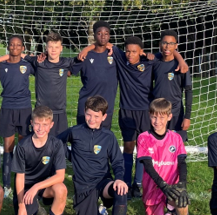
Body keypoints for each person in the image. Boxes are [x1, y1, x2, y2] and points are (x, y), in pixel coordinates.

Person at [79, 35, 187, 200]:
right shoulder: (121, 59)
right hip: (127, 111)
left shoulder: (151, 61)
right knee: (128, 147)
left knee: (143, 148)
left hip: (145, 112)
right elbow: (103, 42)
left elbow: (168, 52)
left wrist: (181, 60)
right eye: (128, 51)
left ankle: (138, 184)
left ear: (141, 52)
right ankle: (127, 183)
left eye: (134, 52)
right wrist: (86, 49)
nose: (130, 54)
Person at [58, 96, 129, 215]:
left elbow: (118, 161)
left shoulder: (108, 136)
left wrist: (119, 178)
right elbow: (56, 142)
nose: (92, 119)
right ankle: (100, 213)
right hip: (83, 185)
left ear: (104, 117)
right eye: (89, 114)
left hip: (103, 182)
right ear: (84, 112)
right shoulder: (75, 131)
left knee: (121, 191)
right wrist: (70, 155)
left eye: (97, 116)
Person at [0, 32, 75, 137]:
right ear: (46, 48)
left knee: (60, 141)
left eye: (56, 47)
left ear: (61, 48)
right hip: (41, 109)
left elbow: (80, 61)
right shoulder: (37, 62)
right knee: (41, 139)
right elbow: (19, 54)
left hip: (60, 110)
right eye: (50, 47)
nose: (53, 50)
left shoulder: (66, 62)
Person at [136, 98, 189, 215]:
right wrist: (163, 186)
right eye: (153, 117)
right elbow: (148, 166)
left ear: (169, 117)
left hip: (171, 188)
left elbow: (182, 163)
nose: (156, 121)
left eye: (161, 117)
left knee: (181, 201)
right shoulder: (143, 137)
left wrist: (182, 184)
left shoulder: (176, 138)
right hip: (154, 189)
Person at [11, 106, 67, 215]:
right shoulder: (23, 146)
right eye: (37, 124)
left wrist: (37, 187)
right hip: (26, 189)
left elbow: (60, 176)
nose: (40, 128)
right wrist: (22, 205)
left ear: (51, 125)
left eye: (45, 124)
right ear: (31, 123)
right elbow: (19, 178)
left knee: (61, 189)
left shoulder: (56, 144)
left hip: (42, 187)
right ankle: (32, 207)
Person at [0, 35, 35, 198]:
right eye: (12, 45)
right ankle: (7, 185)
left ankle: (24, 180)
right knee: (8, 148)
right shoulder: (1, 66)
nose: (15, 47)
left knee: (23, 147)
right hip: (7, 110)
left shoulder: (28, 65)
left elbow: (41, 62)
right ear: (8, 47)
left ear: (23, 48)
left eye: (18, 45)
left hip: (24, 110)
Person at [70, 21, 118, 129]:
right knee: (83, 139)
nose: (103, 36)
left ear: (109, 35)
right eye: (99, 33)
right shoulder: (85, 55)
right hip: (87, 106)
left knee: (102, 141)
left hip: (106, 107)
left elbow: (132, 56)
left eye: (106, 34)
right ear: (95, 35)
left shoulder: (115, 55)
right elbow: (69, 71)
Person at [151, 30, 193, 142]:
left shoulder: (181, 66)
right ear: (160, 44)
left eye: (171, 44)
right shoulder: (154, 62)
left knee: (175, 146)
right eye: (164, 43)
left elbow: (188, 91)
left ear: (176, 46)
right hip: (157, 111)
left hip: (175, 112)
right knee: (157, 145)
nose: (167, 46)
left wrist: (187, 116)